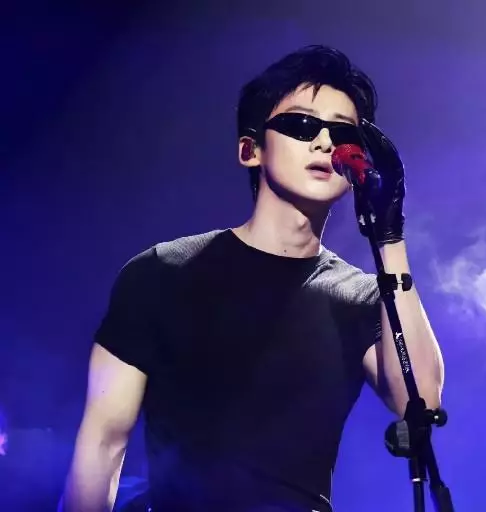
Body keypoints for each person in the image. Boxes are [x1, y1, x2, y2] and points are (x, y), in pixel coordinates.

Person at [60, 45, 444, 512]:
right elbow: (102, 444)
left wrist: (389, 233)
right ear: (250, 150)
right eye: (302, 125)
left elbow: (420, 401)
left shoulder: (358, 297)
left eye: (343, 132)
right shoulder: (162, 272)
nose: (325, 142)